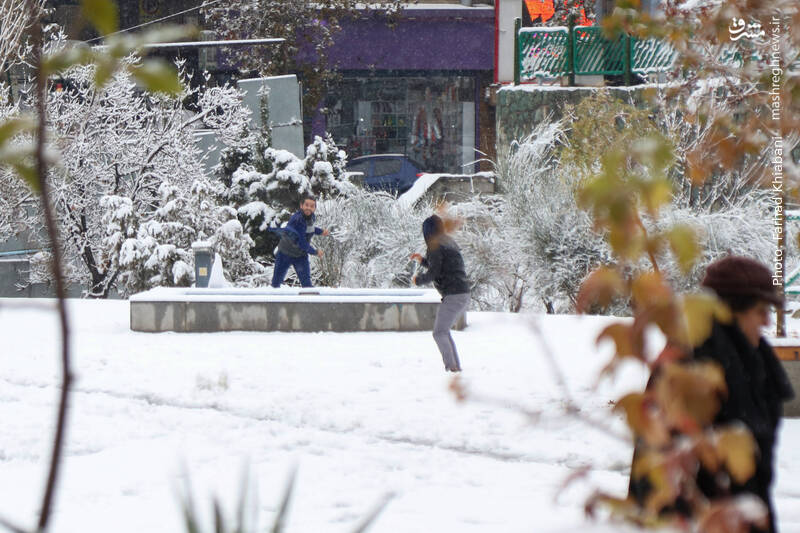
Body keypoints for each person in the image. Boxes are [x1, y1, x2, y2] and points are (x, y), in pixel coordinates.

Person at [629, 256, 794, 532]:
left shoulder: (757, 363)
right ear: (730, 312)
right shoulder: (686, 368)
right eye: (760, 311)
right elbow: (657, 474)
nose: (767, 321)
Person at [411, 214, 470, 372]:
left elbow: (434, 272)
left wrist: (418, 280)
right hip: (462, 292)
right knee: (443, 332)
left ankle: (452, 369)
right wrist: (422, 261)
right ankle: (455, 367)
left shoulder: (435, 246)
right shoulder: (448, 242)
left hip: (454, 294)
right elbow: (443, 265)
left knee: (439, 333)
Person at [270, 195, 330, 288]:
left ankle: (309, 297)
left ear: (314, 208)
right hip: (285, 254)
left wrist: (321, 231)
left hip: (300, 255)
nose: (309, 208)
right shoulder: (297, 219)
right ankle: (272, 297)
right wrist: (315, 252)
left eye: (312, 206)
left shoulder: (311, 217)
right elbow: (302, 243)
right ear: (301, 206)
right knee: (276, 283)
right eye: (306, 205)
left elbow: (309, 228)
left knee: (307, 284)